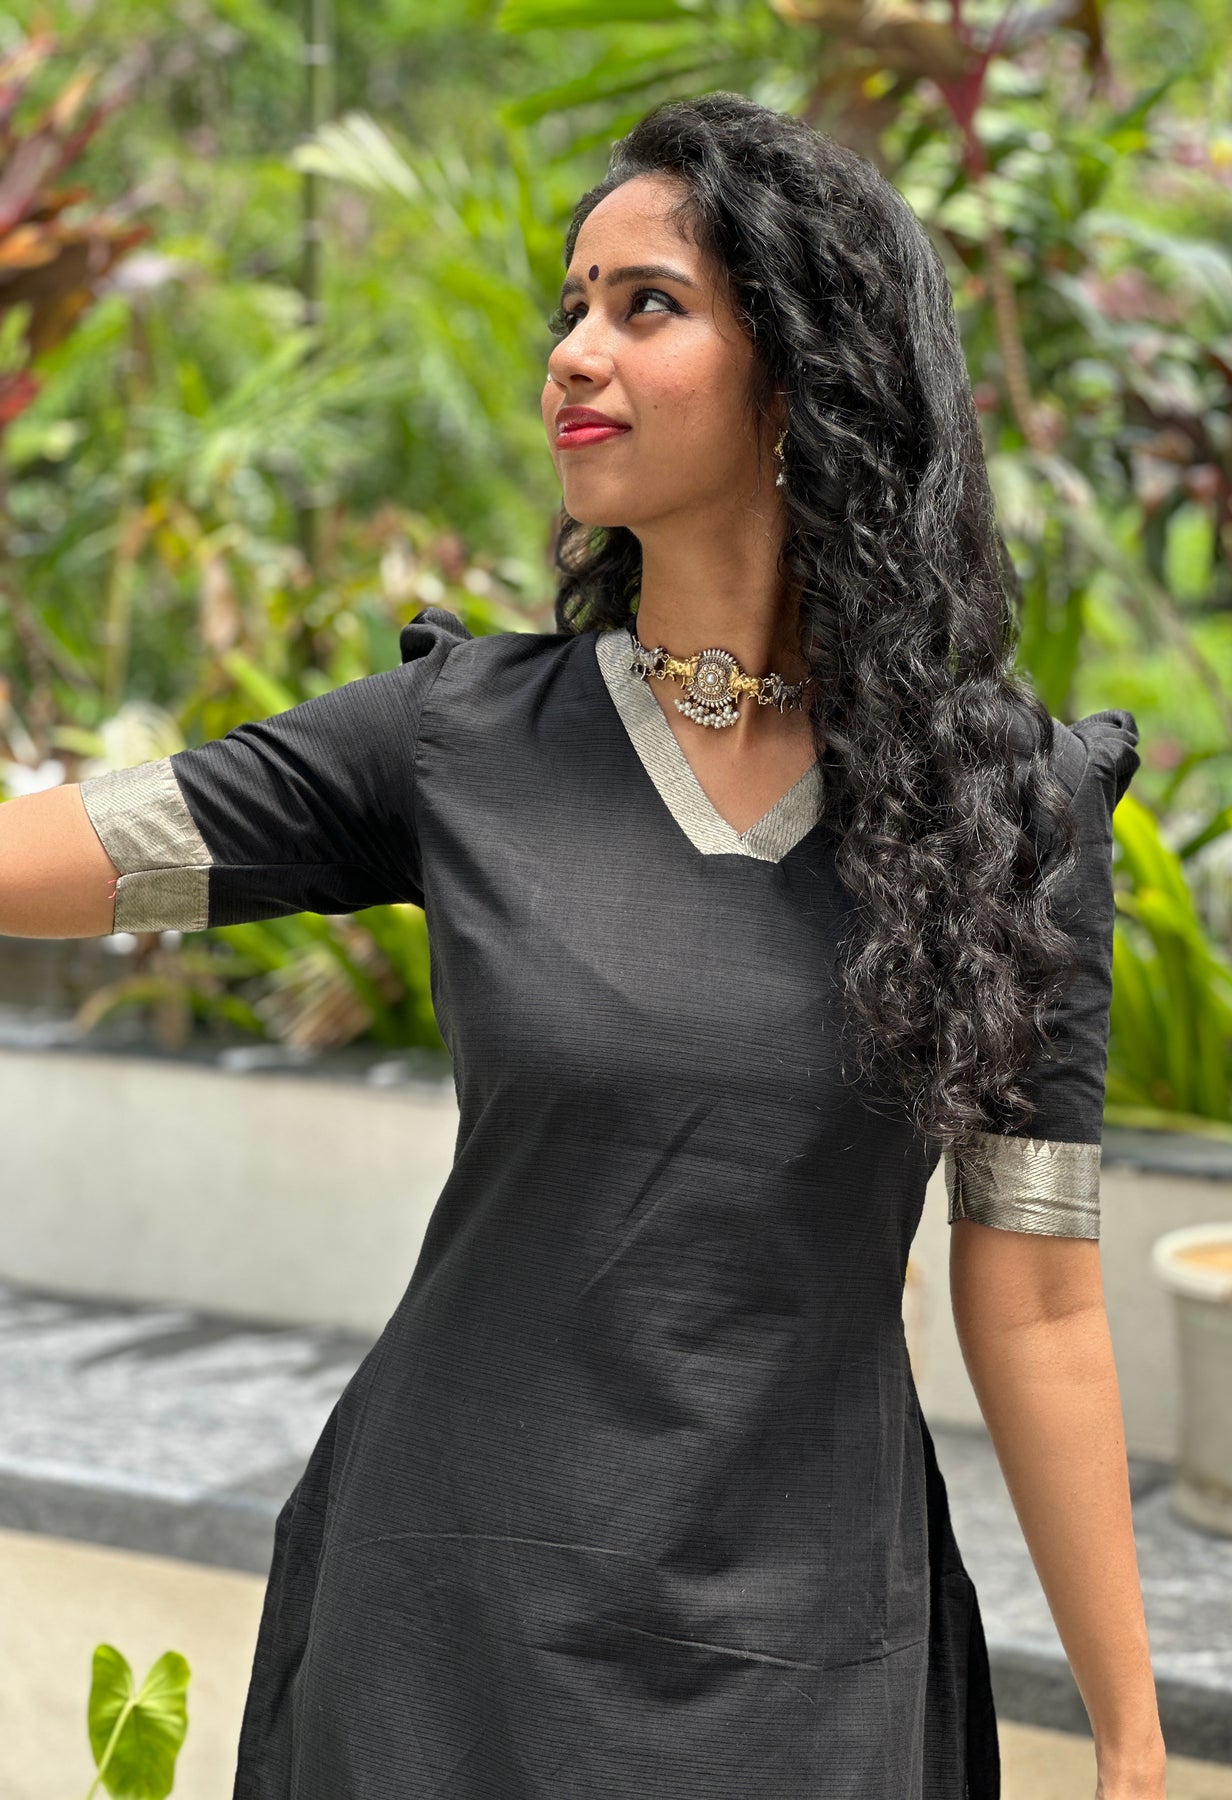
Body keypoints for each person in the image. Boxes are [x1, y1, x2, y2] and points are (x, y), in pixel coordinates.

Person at [0, 90, 1165, 1800]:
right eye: (570, 306)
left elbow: (1040, 1300)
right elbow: (52, 863)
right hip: (443, 1625)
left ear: (803, 378)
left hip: (809, 1658)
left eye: (646, 305)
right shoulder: (454, 743)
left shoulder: (1006, 812)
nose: (572, 353)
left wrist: (1132, 1741)